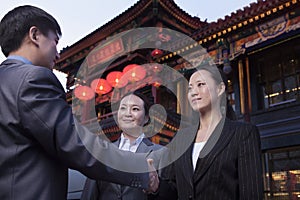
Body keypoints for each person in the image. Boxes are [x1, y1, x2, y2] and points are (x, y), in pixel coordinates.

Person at [0, 5, 158, 200]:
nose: (58, 54)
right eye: (55, 42)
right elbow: (75, 143)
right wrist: (139, 170)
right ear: (35, 35)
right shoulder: (32, 79)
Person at [156, 65, 263, 199]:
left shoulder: (243, 133)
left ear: (220, 89)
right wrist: (154, 185)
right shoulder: (181, 138)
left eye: (200, 84)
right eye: (190, 88)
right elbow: (172, 190)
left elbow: (251, 193)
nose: (193, 92)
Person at [81, 91, 163, 200]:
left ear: (147, 117)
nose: (127, 113)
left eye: (135, 109)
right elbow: (89, 194)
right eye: (123, 108)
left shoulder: (161, 153)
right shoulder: (103, 152)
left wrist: (155, 189)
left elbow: (170, 194)